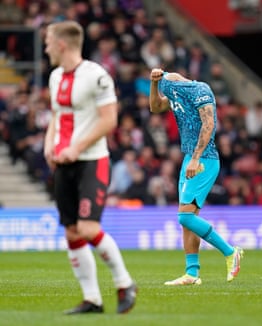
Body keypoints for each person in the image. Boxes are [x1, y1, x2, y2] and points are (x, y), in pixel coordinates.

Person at [43, 21, 137, 314]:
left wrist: (77, 147)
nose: (45, 47)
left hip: (91, 162)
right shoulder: (56, 76)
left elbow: (109, 119)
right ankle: (92, 299)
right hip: (63, 163)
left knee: (87, 227)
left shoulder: (97, 76)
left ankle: (125, 283)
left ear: (62, 44)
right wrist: (50, 143)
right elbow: (58, 115)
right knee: (72, 232)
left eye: (47, 42)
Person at [149, 67, 243, 285]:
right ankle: (192, 273)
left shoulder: (200, 89)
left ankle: (230, 252)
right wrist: (154, 84)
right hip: (189, 158)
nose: (167, 92)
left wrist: (196, 157)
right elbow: (155, 107)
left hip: (204, 159)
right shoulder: (174, 95)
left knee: (185, 217)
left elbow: (209, 124)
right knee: (187, 220)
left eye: (166, 87)